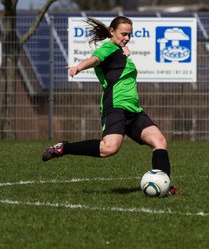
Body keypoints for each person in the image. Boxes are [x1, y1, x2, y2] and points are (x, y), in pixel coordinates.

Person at [42, 16, 176, 195]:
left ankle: (164, 186)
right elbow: (95, 59)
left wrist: (125, 53)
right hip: (115, 107)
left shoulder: (121, 51)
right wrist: (79, 67)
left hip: (134, 110)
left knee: (159, 141)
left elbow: (118, 64)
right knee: (109, 149)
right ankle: (63, 148)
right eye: (123, 34)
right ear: (112, 32)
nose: (127, 38)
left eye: (129, 34)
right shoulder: (108, 48)